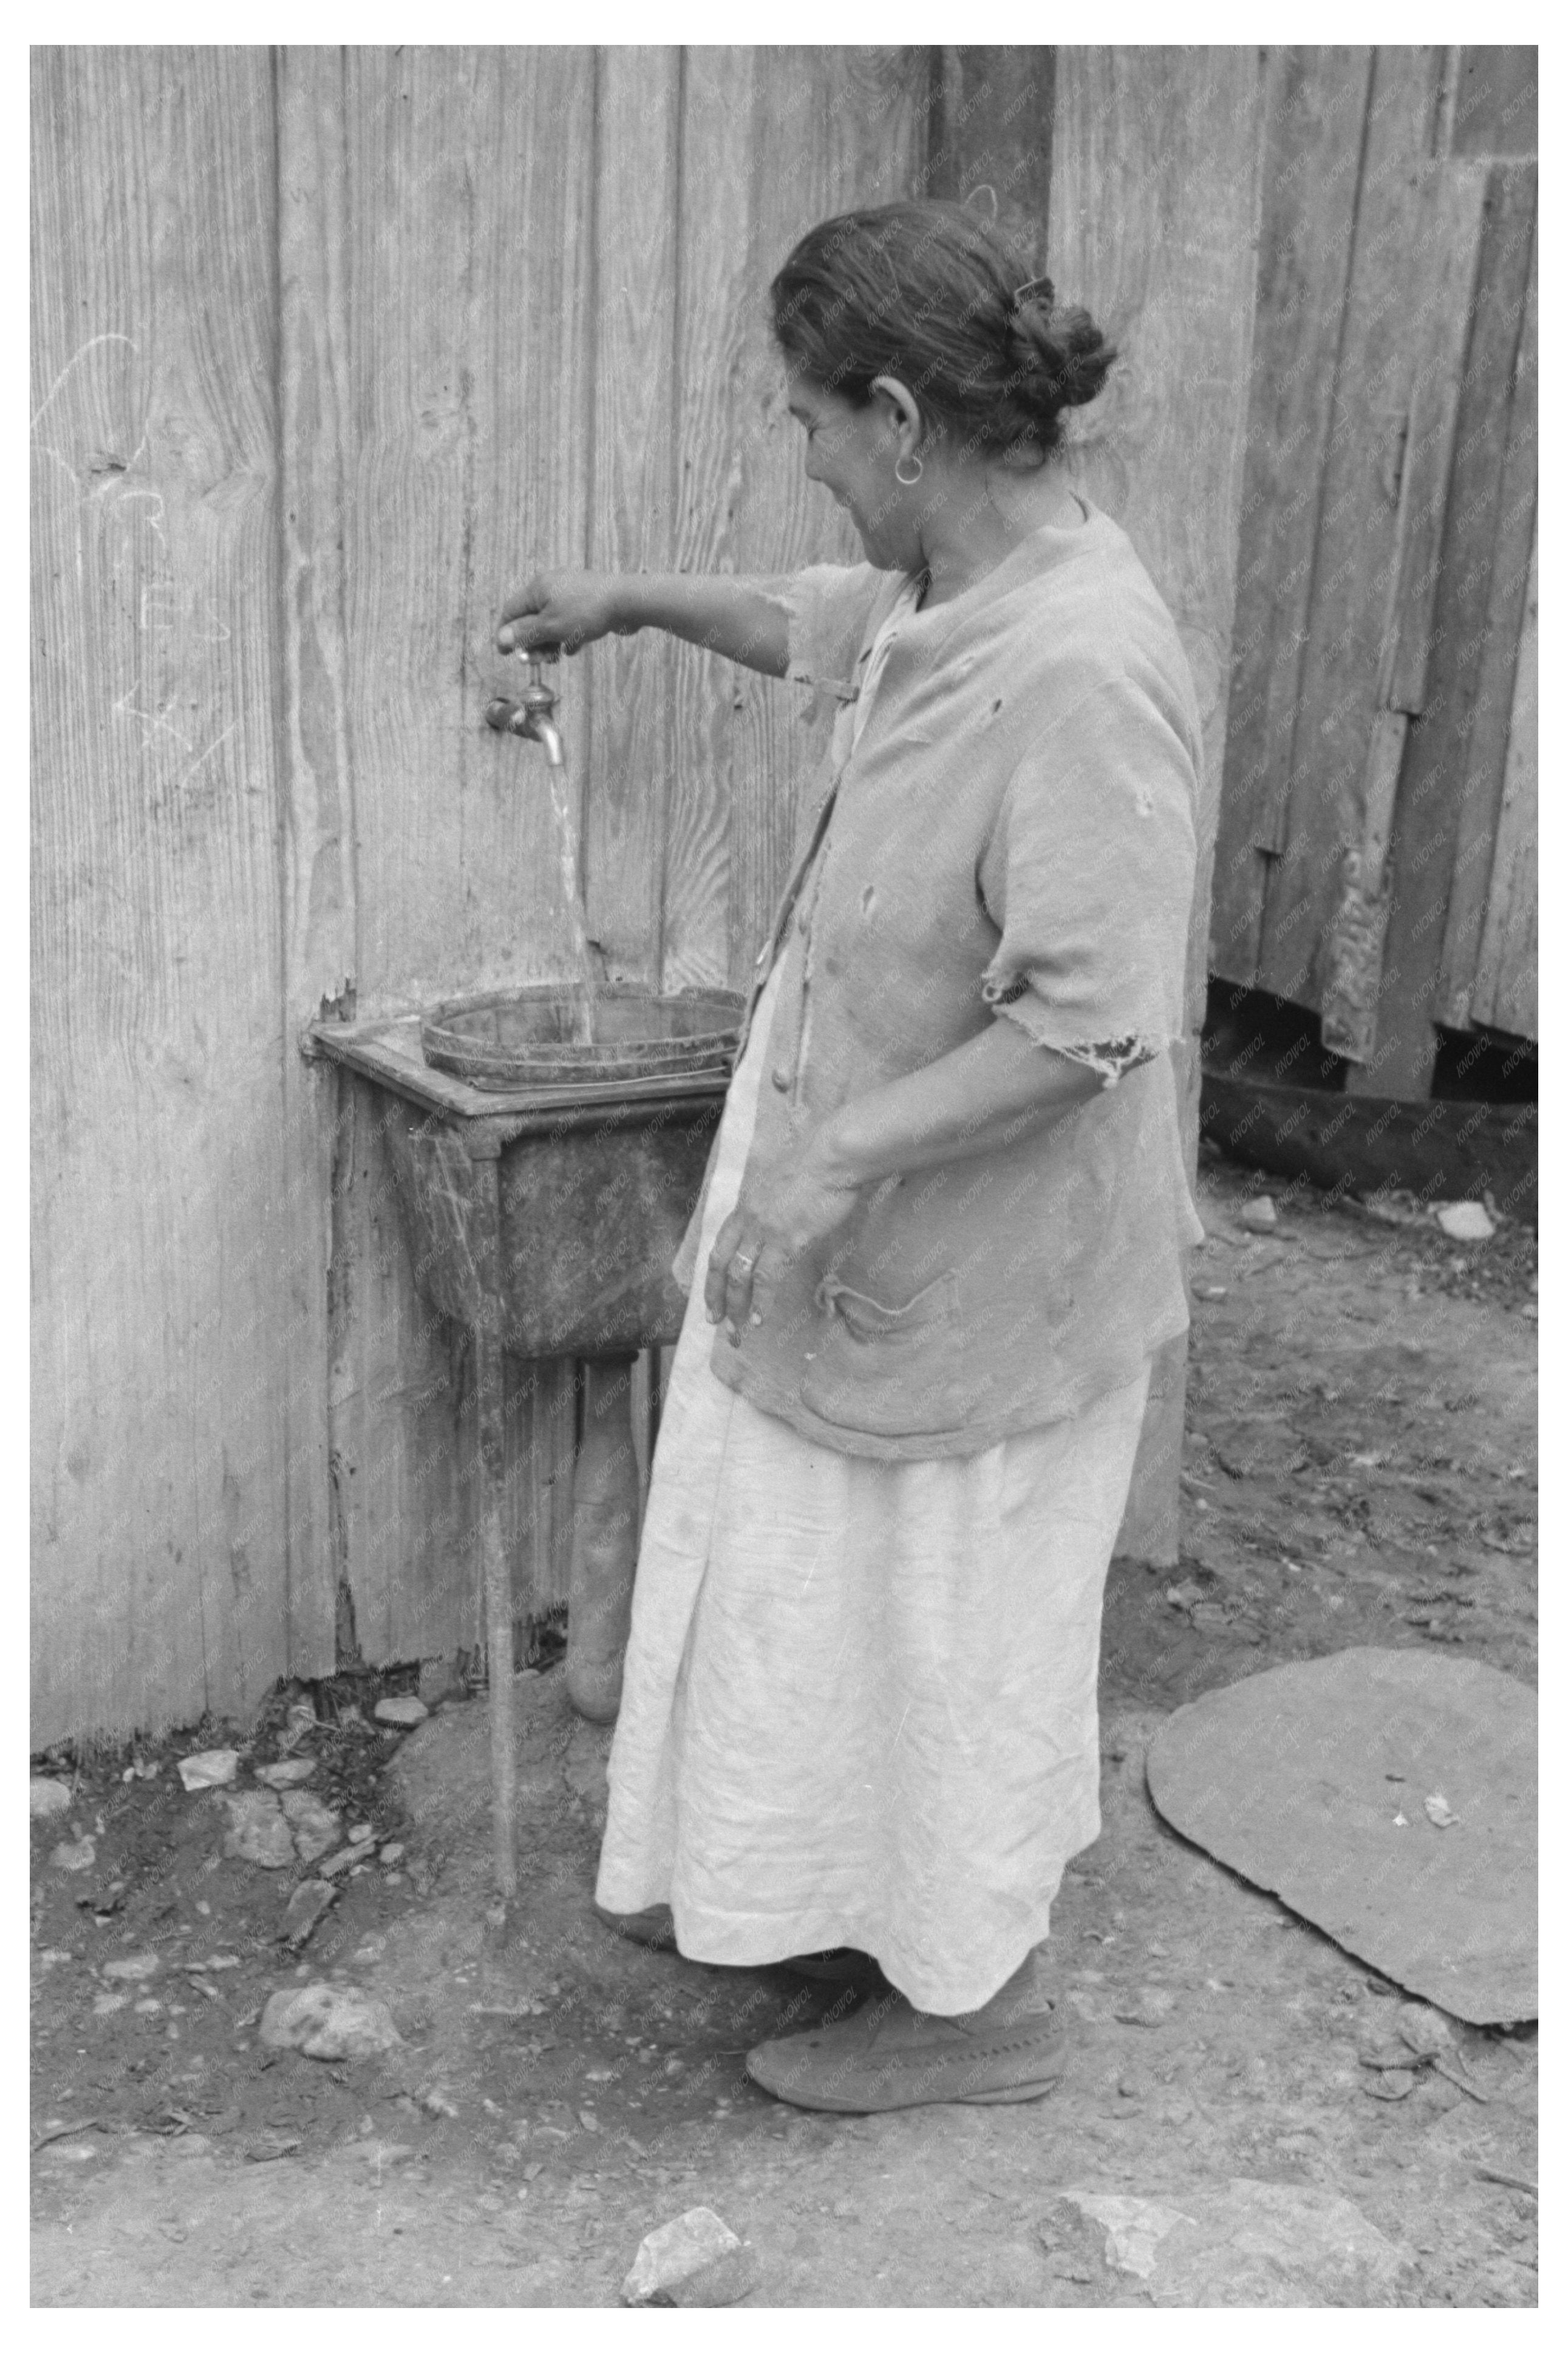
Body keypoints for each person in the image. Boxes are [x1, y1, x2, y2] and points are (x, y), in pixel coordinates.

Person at [497, 200, 1203, 2113]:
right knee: (815, 1582)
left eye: (809, 418)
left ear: (901, 417)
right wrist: (632, 599)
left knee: (942, 1625)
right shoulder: (945, 595)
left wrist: (830, 1163)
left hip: (979, 1255)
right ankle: (796, 1891)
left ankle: (979, 2011)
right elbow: (814, 623)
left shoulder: (1079, 664)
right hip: (867, 1203)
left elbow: (1092, 1017)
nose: (800, 452)